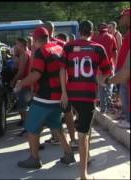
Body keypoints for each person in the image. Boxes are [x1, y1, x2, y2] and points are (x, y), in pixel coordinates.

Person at [14, 27, 75, 169]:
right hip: (58, 96)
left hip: (45, 97)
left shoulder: (42, 52)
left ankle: (34, 159)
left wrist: (21, 83)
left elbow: (36, 74)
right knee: (56, 126)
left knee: (31, 126)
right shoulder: (58, 48)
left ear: (35, 40)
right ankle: (68, 154)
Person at [60, 20, 113, 180]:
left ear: (78, 32)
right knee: (84, 134)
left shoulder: (68, 47)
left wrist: (63, 92)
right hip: (88, 96)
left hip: (70, 95)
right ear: (92, 32)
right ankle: (83, 175)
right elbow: (107, 71)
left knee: (81, 126)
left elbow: (62, 69)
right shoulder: (98, 48)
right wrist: (100, 81)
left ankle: (86, 155)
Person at [43, 21, 77, 148]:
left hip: (55, 85)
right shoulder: (61, 44)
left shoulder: (46, 45)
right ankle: (64, 138)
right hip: (58, 84)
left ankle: (67, 138)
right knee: (62, 112)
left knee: (62, 112)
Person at [92, 23, 117, 114]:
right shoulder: (111, 37)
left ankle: (103, 108)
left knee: (101, 87)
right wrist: (115, 63)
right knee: (109, 85)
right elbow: (115, 52)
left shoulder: (94, 38)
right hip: (109, 65)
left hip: (99, 67)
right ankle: (110, 106)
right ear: (106, 28)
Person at [10, 38, 32, 135]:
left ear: (22, 45)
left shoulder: (24, 54)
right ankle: (28, 127)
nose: (15, 46)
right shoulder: (30, 52)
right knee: (26, 106)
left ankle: (28, 128)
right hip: (29, 83)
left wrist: (13, 80)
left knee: (23, 107)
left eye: (17, 44)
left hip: (24, 83)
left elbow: (21, 71)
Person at [114, 8, 130, 128]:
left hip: (126, 70)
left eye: (122, 17)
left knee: (126, 93)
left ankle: (129, 120)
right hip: (123, 69)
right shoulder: (128, 32)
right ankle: (127, 116)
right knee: (124, 93)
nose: (120, 20)